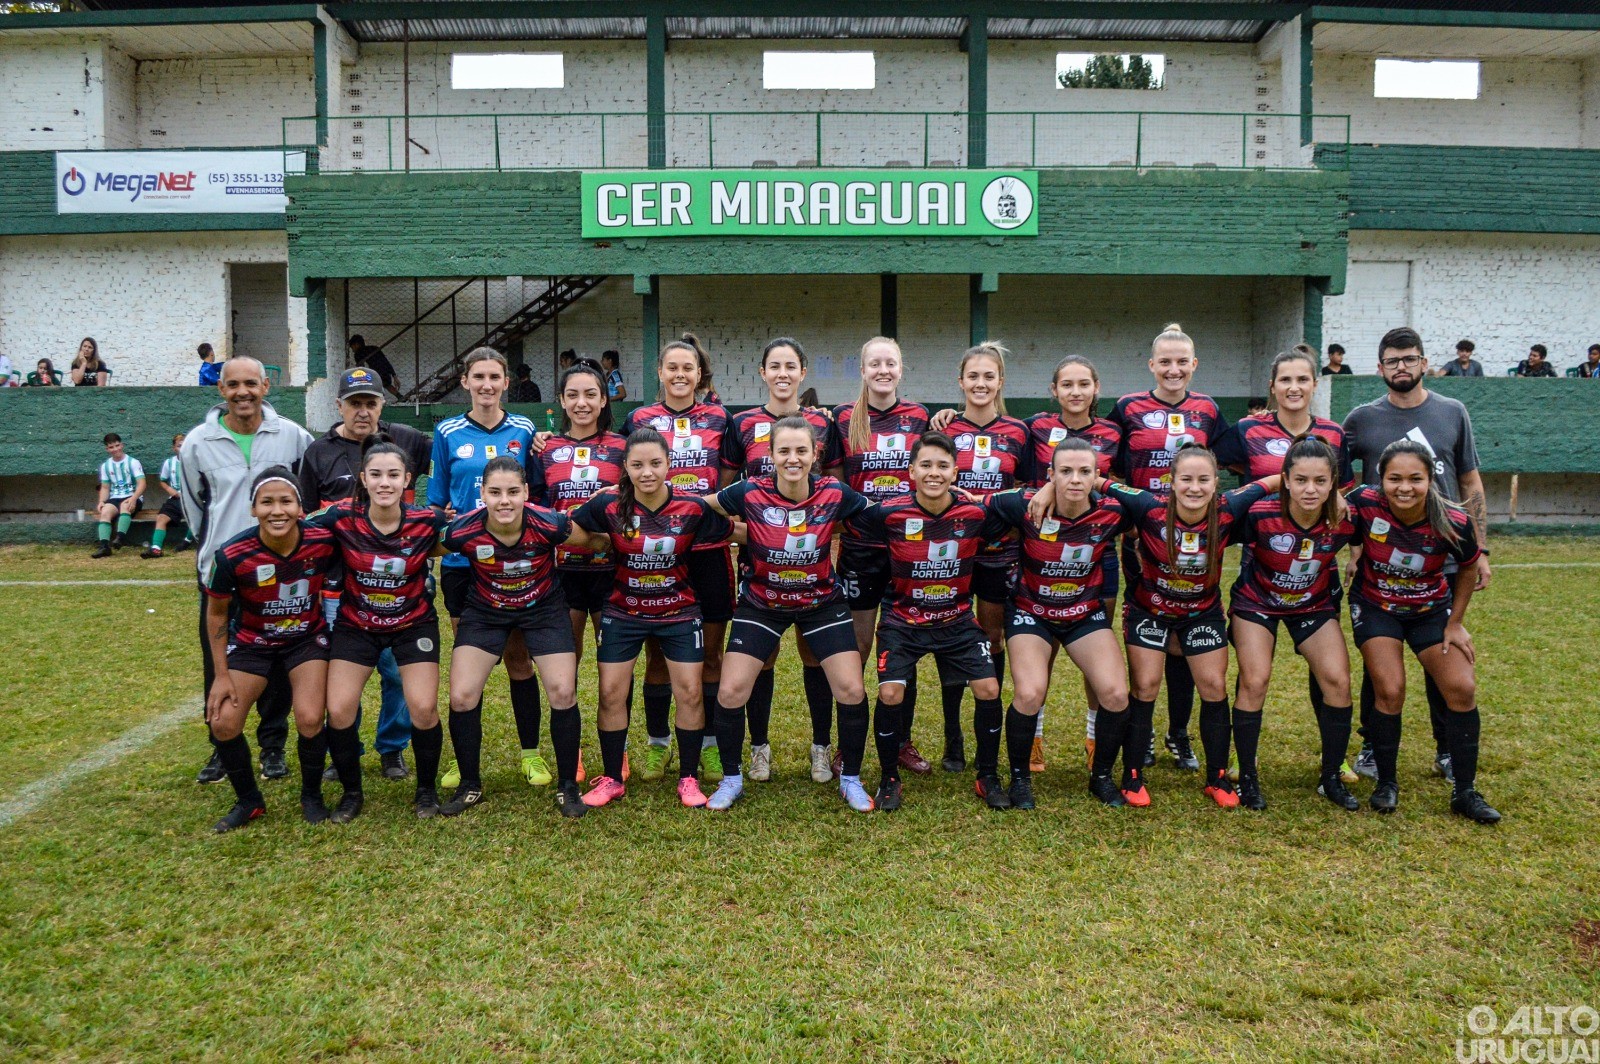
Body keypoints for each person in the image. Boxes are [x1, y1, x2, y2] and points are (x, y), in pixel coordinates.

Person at [1342, 326, 1490, 784]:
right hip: (1382, 559)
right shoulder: (1360, 419)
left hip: (1442, 556)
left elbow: (1469, 481)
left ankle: (1447, 749)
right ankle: (1373, 744)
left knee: (1441, 655)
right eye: (1392, 360)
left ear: (1424, 363)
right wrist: (1355, 546)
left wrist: (1480, 547)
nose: (1401, 367)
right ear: (1381, 367)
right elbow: (1345, 489)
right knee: (1380, 662)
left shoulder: (1452, 411)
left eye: (1410, 359)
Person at [704, 416, 874, 812]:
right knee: (731, 690)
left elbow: (880, 515)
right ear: (771, 455)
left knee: (851, 689)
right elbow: (701, 509)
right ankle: (732, 779)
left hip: (821, 603)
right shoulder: (748, 492)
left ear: (815, 453)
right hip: (762, 602)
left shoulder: (834, 492)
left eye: (801, 450)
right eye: (784, 451)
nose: (792, 458)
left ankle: (849, 777)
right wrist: (739, 533)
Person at [1213, 347, 1358, 784]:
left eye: (1303, 380)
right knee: (1254, 677)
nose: (1294, 388)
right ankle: (1244, 760)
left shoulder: (1334, 433)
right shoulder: (1248, 430)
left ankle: (1335, 761)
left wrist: (1354, 551)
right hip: (1262, 566)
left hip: (1315, 574)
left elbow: (1346, 499)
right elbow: (1212, 463)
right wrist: (1266, 487)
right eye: (1285, 380)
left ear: (1315, 384)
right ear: (1272, 387)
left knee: (1331, 672)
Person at [570, 427, 735, 809]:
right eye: (638, 464)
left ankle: (689, 778)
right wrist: (597, 542)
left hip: (679, 611)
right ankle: (612, 778)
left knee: (690, 692)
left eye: (655, 463)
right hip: (622, 611)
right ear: (624, 467)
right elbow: (571, 528)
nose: (647, 472)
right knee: (611, 692)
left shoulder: (693, 507)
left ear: (669, 465)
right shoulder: (608, 505)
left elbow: (735, 531)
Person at [1104, 446, 1279, 807]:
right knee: (1146, 684)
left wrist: (1334, 502)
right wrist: (1045, 490)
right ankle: (1132, 773)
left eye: (1203, 480)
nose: (1194, 487)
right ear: (1172, 481)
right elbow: (1098, 481)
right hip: (1149, 609)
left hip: (1202, 612)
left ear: (1217, 483)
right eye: (1186, 479)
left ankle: (1216, 777)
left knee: (1214, 685)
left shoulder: (1228, 507)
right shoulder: (1148, 506)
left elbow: (1275, 480)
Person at [852, 432, 1008, 810]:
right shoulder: (887, 513)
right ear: (911, 471)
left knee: (989, 688)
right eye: (926, 465)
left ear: (956, 470)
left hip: (957, 620)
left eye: (942, 465)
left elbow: (1018, 515)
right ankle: (889, 777)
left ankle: (988, 775)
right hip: (903, 620)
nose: (934, 473)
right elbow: (845, 525)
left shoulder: (977, 514)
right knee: (891, 693)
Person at [1345, 440, 1498, 824]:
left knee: (1462, 687)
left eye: (1416, 478)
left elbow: (1467, 567)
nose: (1404, 487)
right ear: (1381, 479)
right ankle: (1387, 783)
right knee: (1390, 687)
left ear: (1430, 480)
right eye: (1395, 478)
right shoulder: (1363, 502)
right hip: (1376, 606)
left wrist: (1455, 622)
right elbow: (1334, 523)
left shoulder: (1453, 519)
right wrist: (1352, 555)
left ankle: (1464, 791)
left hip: (1430, 611)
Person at [181, 356, 315, 784]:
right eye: (233, 384)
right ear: (221, 389)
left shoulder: (293, 436)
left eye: (251, 384)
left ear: (265, 387)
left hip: (281, 575)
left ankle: (272, 745)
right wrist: (214, 555)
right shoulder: (198, 444)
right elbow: (194, 508)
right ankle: (222, 748)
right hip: (224, 572)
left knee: (277, 658)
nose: (243, 392)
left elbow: (304, 498)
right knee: (218, 660)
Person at [1107, 323, 1229, 774]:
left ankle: (1179, 733)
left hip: (1197, 535)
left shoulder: (1209, 410)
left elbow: (1230, 458)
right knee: (1154, 629)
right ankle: (1146, 735)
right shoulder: (1128, 408)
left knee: (1187, 637)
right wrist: (1129, 517)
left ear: (1193, 365)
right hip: (1146, 537)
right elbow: (1109, 462)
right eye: (1166, 361)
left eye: (1183, 361)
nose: (1174, 369)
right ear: (1152, 365)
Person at [298, 367, 430, 782]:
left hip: (402, 582)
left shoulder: (406, 439)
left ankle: (392, 749)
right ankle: (345, 751)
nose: (362, 411)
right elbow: (304, 519)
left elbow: (452, 454)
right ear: (339, 405)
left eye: (370, 402)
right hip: (340, 588)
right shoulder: (318, 453)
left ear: (381, 405)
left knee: (396, 673)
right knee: (345, 676)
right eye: (354, 403)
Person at [442, 457, 593, 818]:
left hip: (543, 610)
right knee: (462, 696)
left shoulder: (550, 523)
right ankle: (469, 784)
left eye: (512, 491)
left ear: (526, 492)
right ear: (482, 495)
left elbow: (592, 540)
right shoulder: (462, 531)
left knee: (563, 690)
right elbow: (423, 547)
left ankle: (568, 786)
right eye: (494, 492)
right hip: (485, 611)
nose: (504, 501)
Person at [723, 337, 844, 782]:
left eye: (790, 366)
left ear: (803, 372)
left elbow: (835, 492)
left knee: (815, 655)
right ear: (762, 373)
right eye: (774, 366)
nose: (782, 374)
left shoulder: (824, 423)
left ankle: (820, 746)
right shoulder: (742, 424)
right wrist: (741, 535)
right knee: (764, 656)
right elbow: (726, 491)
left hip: (812, 560)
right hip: (761, 559)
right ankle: (759, 748)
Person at [428, 348, 549, 791]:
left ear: (505, 382)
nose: (486, 384)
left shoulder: (524, 429)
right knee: (468, 666)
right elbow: (436, 501)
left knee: (519, 659)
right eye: (478, 376)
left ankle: (531, 755)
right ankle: (465, 760)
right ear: (465, 381)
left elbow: (536, 495)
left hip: (516, 562)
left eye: (494, 376)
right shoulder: (446, 431)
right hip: (464, 564)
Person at [988, 436, 1132, 808]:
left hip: (1083, 613)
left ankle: (1100, 776)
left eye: (1085, 472)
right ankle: (1020, 779)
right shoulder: (1024, 504)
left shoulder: (1114, 510)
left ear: (1097, 475)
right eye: (1064, 471)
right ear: (1050, 475)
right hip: (1031, 612)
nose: (1075, 479)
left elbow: (1154, 505)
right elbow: (974, 505)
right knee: (1030, 692)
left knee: (1115, 694)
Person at [310, 438, 448, 822]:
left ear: (407, 479)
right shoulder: (339, 517)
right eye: (376, 475)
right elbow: (294, 528)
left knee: (422, 708)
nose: (384, 482)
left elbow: (469, 534)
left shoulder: (427, 521)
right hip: (357, 626)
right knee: (338, 710)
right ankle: (352, 793)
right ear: (363, 479)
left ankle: (426, 791)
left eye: (393, 475)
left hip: (413, 624)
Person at [622, 334, 735, 783]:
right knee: (657, 657)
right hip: (656, 554)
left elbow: (725, 486)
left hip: (705, 552)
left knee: (710, 655)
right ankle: (657, 745)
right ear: (660, 373)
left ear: (699, 373)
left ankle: (707, 744)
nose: (680, 375)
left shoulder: (720, 419)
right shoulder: (639, 418)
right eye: (672, 367)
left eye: (688, 367)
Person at [202, 469, 339, 831]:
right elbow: (215, 614)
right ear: (252, 509)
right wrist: (220, 676)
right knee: (223, 721)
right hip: (253, 644)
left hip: (306, 640)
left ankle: (312, 795)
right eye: (267, 502)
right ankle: (249, 801)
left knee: (310, 718)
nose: (276, 510)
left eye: (285, 501)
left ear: (300, 508)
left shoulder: (322, 539)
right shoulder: (232, 555)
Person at [1227, 437, 1357, 813]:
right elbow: (1213, 532)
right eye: (1300, 480)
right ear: (1285, 479)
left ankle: (1330, 775)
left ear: (1334, 482)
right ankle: (1247, 776)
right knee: (1255, 679)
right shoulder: (1257, 512)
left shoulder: (1347, 516)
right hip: (1256, 602)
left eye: (1319, 481)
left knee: (1337, 680)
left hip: (1312, 605)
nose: (1310, 489)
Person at [924, 341, 1028, 775]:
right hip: (952, 554)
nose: (981, 383)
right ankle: (953, 737)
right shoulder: (945, 430)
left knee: (991, 640)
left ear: (1000, 381)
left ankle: (988, 730)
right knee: (951, 641)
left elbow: (1030, 492)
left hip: (999, 553)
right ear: (961, 381)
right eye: (973, 376)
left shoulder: (1020, 432)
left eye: (989, 376)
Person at [1019, 354, 1122, 774]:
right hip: (1044, 547)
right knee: (1041, 650)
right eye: (1067, 384)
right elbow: (1022, 477)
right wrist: (1045, 489)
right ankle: (1035, 739)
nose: (1076, 392)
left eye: (1084, 384)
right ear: (1054, 390)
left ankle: (1095, 737)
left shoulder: (1115, 431)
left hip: (1098, 551)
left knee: (1093, 643)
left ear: (1096, 388)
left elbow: (1125, 484)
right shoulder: (1036, 427)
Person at [834, 337, 931, 778]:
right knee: (857, 647)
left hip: (906, 550)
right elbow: (835, 484)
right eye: (875, 363)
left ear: (901, 367)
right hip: (859, 548)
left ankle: (902, 739)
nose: (883, 370)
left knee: (902, 647)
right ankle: (847, 742)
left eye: (890, 362)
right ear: (863, 369)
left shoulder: (919, 416)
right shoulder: (842, 418)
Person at [526, 362, 626, 779]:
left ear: (604, 400)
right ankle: (575, 748)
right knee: (566, 669)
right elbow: (532, 507)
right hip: (562, 573)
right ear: (563, 401)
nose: (582, 403)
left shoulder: (622, 447)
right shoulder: (543, 449)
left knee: (612, 670)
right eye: (573, 395)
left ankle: (615, 751)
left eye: (591, 395)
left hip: (612, 572)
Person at [91, 432, 145, 558]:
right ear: (107, 449)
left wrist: (134, 498)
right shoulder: (106, 466)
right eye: (111, 447)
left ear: (122, 445)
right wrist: (101, 501)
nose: (115, 449)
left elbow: (142, 483)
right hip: (115, 497)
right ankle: (104, 547)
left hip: (132, 496)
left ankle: (119, 538)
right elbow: (105, 487)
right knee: (105, 512)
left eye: (117, 445)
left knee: (125, 506)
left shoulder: (133, 462)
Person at [141, 434, 192, 558]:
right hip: (175, 499)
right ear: (174, 448)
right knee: (162, 517)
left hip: (192, 499)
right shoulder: (169, 463)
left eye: (185, 444)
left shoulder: (195, 460)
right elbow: (163, 481)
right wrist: (171, 490)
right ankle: (156, 549)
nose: (182, 447)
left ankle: (187, 541)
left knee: (199, 517)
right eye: (179, 445)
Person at [347, 335, 403, 400]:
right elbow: (386, 362)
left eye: (352, 347)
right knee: (387, 385)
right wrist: (394, 376)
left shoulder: (358, 353)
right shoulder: (374, 348)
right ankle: (400, 397)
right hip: (385, 371)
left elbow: (361, 368)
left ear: (356, 344)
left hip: (375, 373)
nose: (353, 350)